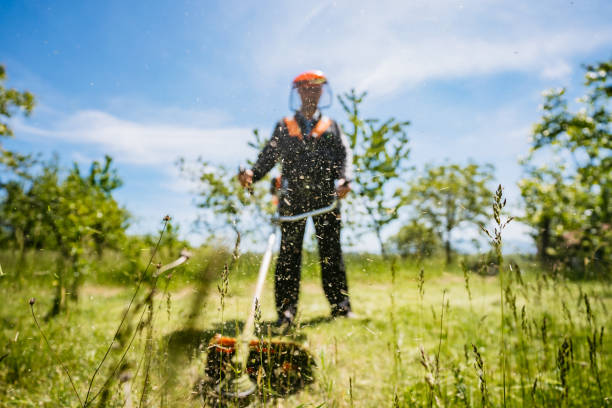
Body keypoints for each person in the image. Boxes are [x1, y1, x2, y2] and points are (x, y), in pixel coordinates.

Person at [238, 70, 355, 327]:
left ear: (322, 91)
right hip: (293, 199)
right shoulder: (284, 126)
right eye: (305, 88)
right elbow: (268, 157)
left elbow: (345, 156)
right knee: (289, 256)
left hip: (326, 198)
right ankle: (286, 313)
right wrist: (252, 174)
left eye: (315, 88)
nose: (310, 92)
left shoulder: (333, 126)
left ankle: (340, 307)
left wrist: (345, 180)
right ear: (298, 92)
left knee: (331, 253)